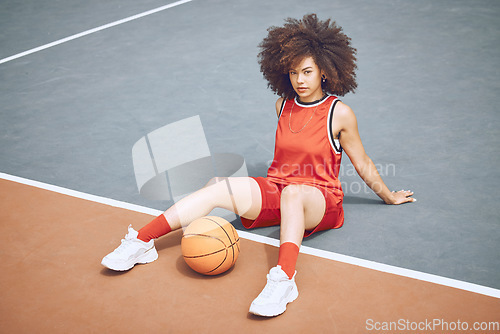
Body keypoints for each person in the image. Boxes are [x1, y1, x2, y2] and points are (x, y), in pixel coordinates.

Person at [101, 13, 415, 317]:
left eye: (307, 71)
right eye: (293, 73)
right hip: (278, 189)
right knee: (217, 186)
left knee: (294, 195)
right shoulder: (282, 105)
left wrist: (388, 196)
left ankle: (284, 280)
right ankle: (141, 242)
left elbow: (361, 161)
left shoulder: (339, 113)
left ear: (325, 71)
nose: (299, 80)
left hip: (320, 200)